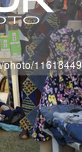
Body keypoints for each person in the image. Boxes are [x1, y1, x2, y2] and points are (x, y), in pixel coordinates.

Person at [18, 0, 69, 140]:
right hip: (48, 57)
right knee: (49, 93)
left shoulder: (28, 14)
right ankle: (46, 127)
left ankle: (25, 131)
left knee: (28, 91)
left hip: (30, 55)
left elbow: (25, 33)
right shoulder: (60, 16)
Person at [32, 19, 82, 152]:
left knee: (47, 134)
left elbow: (40, 60)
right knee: (70, 136)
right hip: (78, 93)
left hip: (54, 92)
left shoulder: (53, 36)